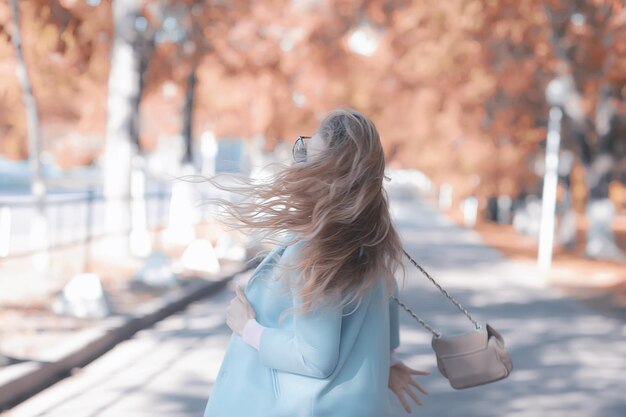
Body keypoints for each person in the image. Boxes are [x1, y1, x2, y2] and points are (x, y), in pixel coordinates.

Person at [202, 109, 430, 417]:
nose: (299, 166)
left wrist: (248, 329)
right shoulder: (373, 239)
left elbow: (315, 358)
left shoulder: (318, 250)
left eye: (307, 157)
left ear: (331, 177)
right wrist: (386, 362)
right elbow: (382, 315)